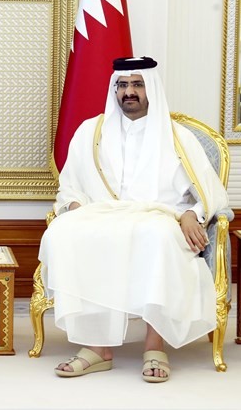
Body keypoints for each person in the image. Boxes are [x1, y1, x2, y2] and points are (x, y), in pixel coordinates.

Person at [39, 56, 229, 383]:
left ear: (150, 88)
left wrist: (190, 214)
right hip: (102, 215)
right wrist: (73, 207)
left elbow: (209, 194)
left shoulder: (178, 137)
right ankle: (97, 348)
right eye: (123, 85)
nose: (129, 92)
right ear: (114, 90)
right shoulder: (90, 131)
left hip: (157, 217)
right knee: (65, 232)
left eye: (137, 84)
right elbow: (70, 185)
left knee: (156, 235)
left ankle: (155, 346)